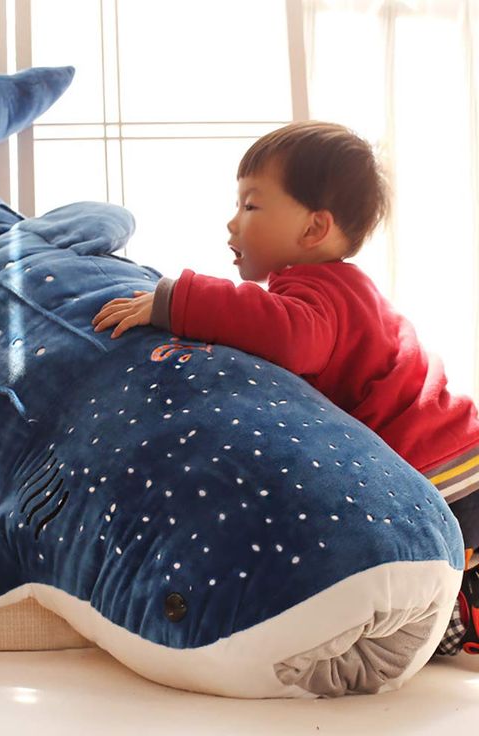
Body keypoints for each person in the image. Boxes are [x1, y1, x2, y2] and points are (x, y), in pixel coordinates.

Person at [91, 120, 479, 656]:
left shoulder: (319, 292)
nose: (232, 223)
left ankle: (461, 617)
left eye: (251, 206)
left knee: (431, 581)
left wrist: (176, 299)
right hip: (453, 452)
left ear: (314, 229)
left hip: (438, 463)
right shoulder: (334, 287)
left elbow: (289, 337)